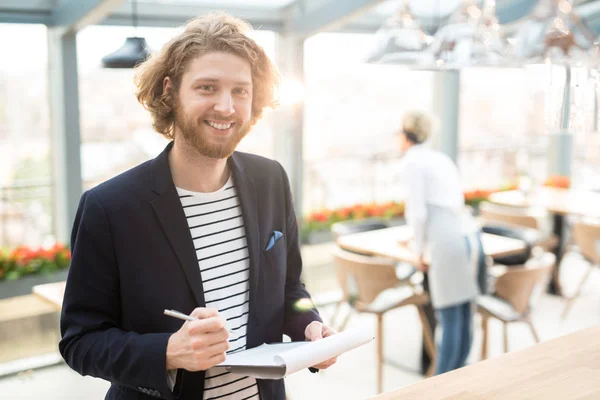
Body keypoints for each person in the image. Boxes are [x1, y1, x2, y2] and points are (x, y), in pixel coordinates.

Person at [59, 13, 336, 400]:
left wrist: (310, 325)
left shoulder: (271, 179)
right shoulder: (110, 207)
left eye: (240, 90)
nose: (226, 107)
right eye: (207, 87)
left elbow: (290, 287)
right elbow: (80, 342)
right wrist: (169, 352)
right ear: (171, 91)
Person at [397, 110, 479, 375]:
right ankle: (458, 378)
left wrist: (419, 251)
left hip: (444, 242)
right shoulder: (440, 159)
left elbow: (419, 213)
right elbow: (450, 203)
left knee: (450, 318)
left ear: (405, 135)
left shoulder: (412, 162)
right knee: (464, 315)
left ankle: (440, 385)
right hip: (467, 236)